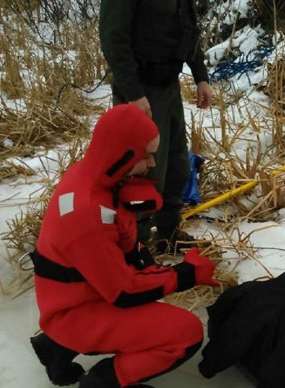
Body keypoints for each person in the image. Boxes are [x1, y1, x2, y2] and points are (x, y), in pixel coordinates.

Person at [29, 104, 219, 388]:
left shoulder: (90, 177)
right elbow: (124, 291)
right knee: (186, 333)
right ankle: (104, 382)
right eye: (146, 155)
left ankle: (54, 348)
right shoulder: (87, 212)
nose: (152, 163)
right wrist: (186, 274)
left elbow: (118, 247)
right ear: (122, 156)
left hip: (74, 298)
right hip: (77, 310)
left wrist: (149, 264)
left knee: (149, 304)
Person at [99, 0, 213, 251]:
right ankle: (134, 245)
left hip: (168, 87)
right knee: (144, 171)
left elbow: (188, 29)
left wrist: (201, 76)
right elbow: (113, 39)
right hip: (140, 91)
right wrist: (134, 94)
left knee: (177, 164)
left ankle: (167, 234)